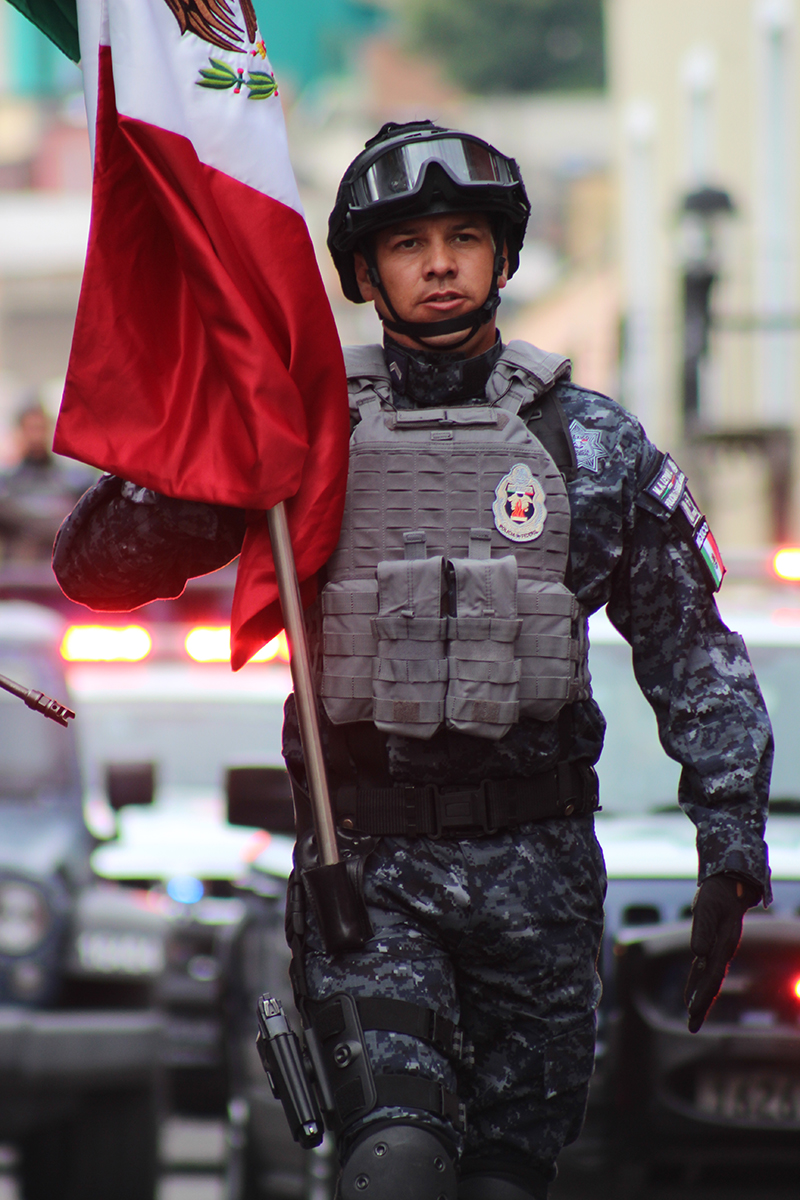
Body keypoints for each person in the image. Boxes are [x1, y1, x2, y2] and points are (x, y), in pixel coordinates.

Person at [52, 121, 772, 1200]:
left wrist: (729, 840)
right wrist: (209, 439)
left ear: (501, 255)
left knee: (499, 1183)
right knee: (398, 1164)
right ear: (361, 272)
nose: (437, 263)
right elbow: (96, 568)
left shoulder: (590, 446)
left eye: (462, 236)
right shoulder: (301, 433)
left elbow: (691, 655)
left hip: (541, 883)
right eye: (406, 243)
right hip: (369, 884)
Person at [0, 401, 95, 563]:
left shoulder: (74, 480)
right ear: (20, 432)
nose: (36, 435)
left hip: (60, 569)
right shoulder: (7, 483)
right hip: (19, 572)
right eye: (30, 428)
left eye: (41, 428)